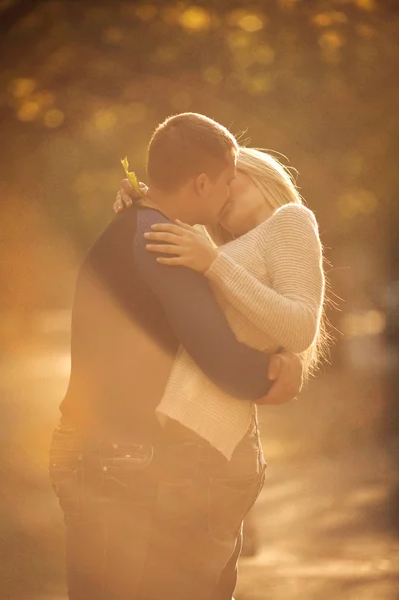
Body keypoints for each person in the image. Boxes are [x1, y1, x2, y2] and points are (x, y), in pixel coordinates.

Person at [50, 113, 303, 600]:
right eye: (228, 182)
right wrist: (276, 372)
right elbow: (221, 358)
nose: (230, 193)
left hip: (103, 453)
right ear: (203, 182)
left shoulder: (149, 226)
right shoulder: (160, 237)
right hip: (112, 458)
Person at [115, 143, 327, 572]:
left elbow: (301, 326)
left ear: (258, 173)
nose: (225, 190)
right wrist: (139, 214)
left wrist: (213, 262)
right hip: (183, 441)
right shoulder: (227, 249)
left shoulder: (290, 220)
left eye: (232, 176)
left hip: (203, 445)